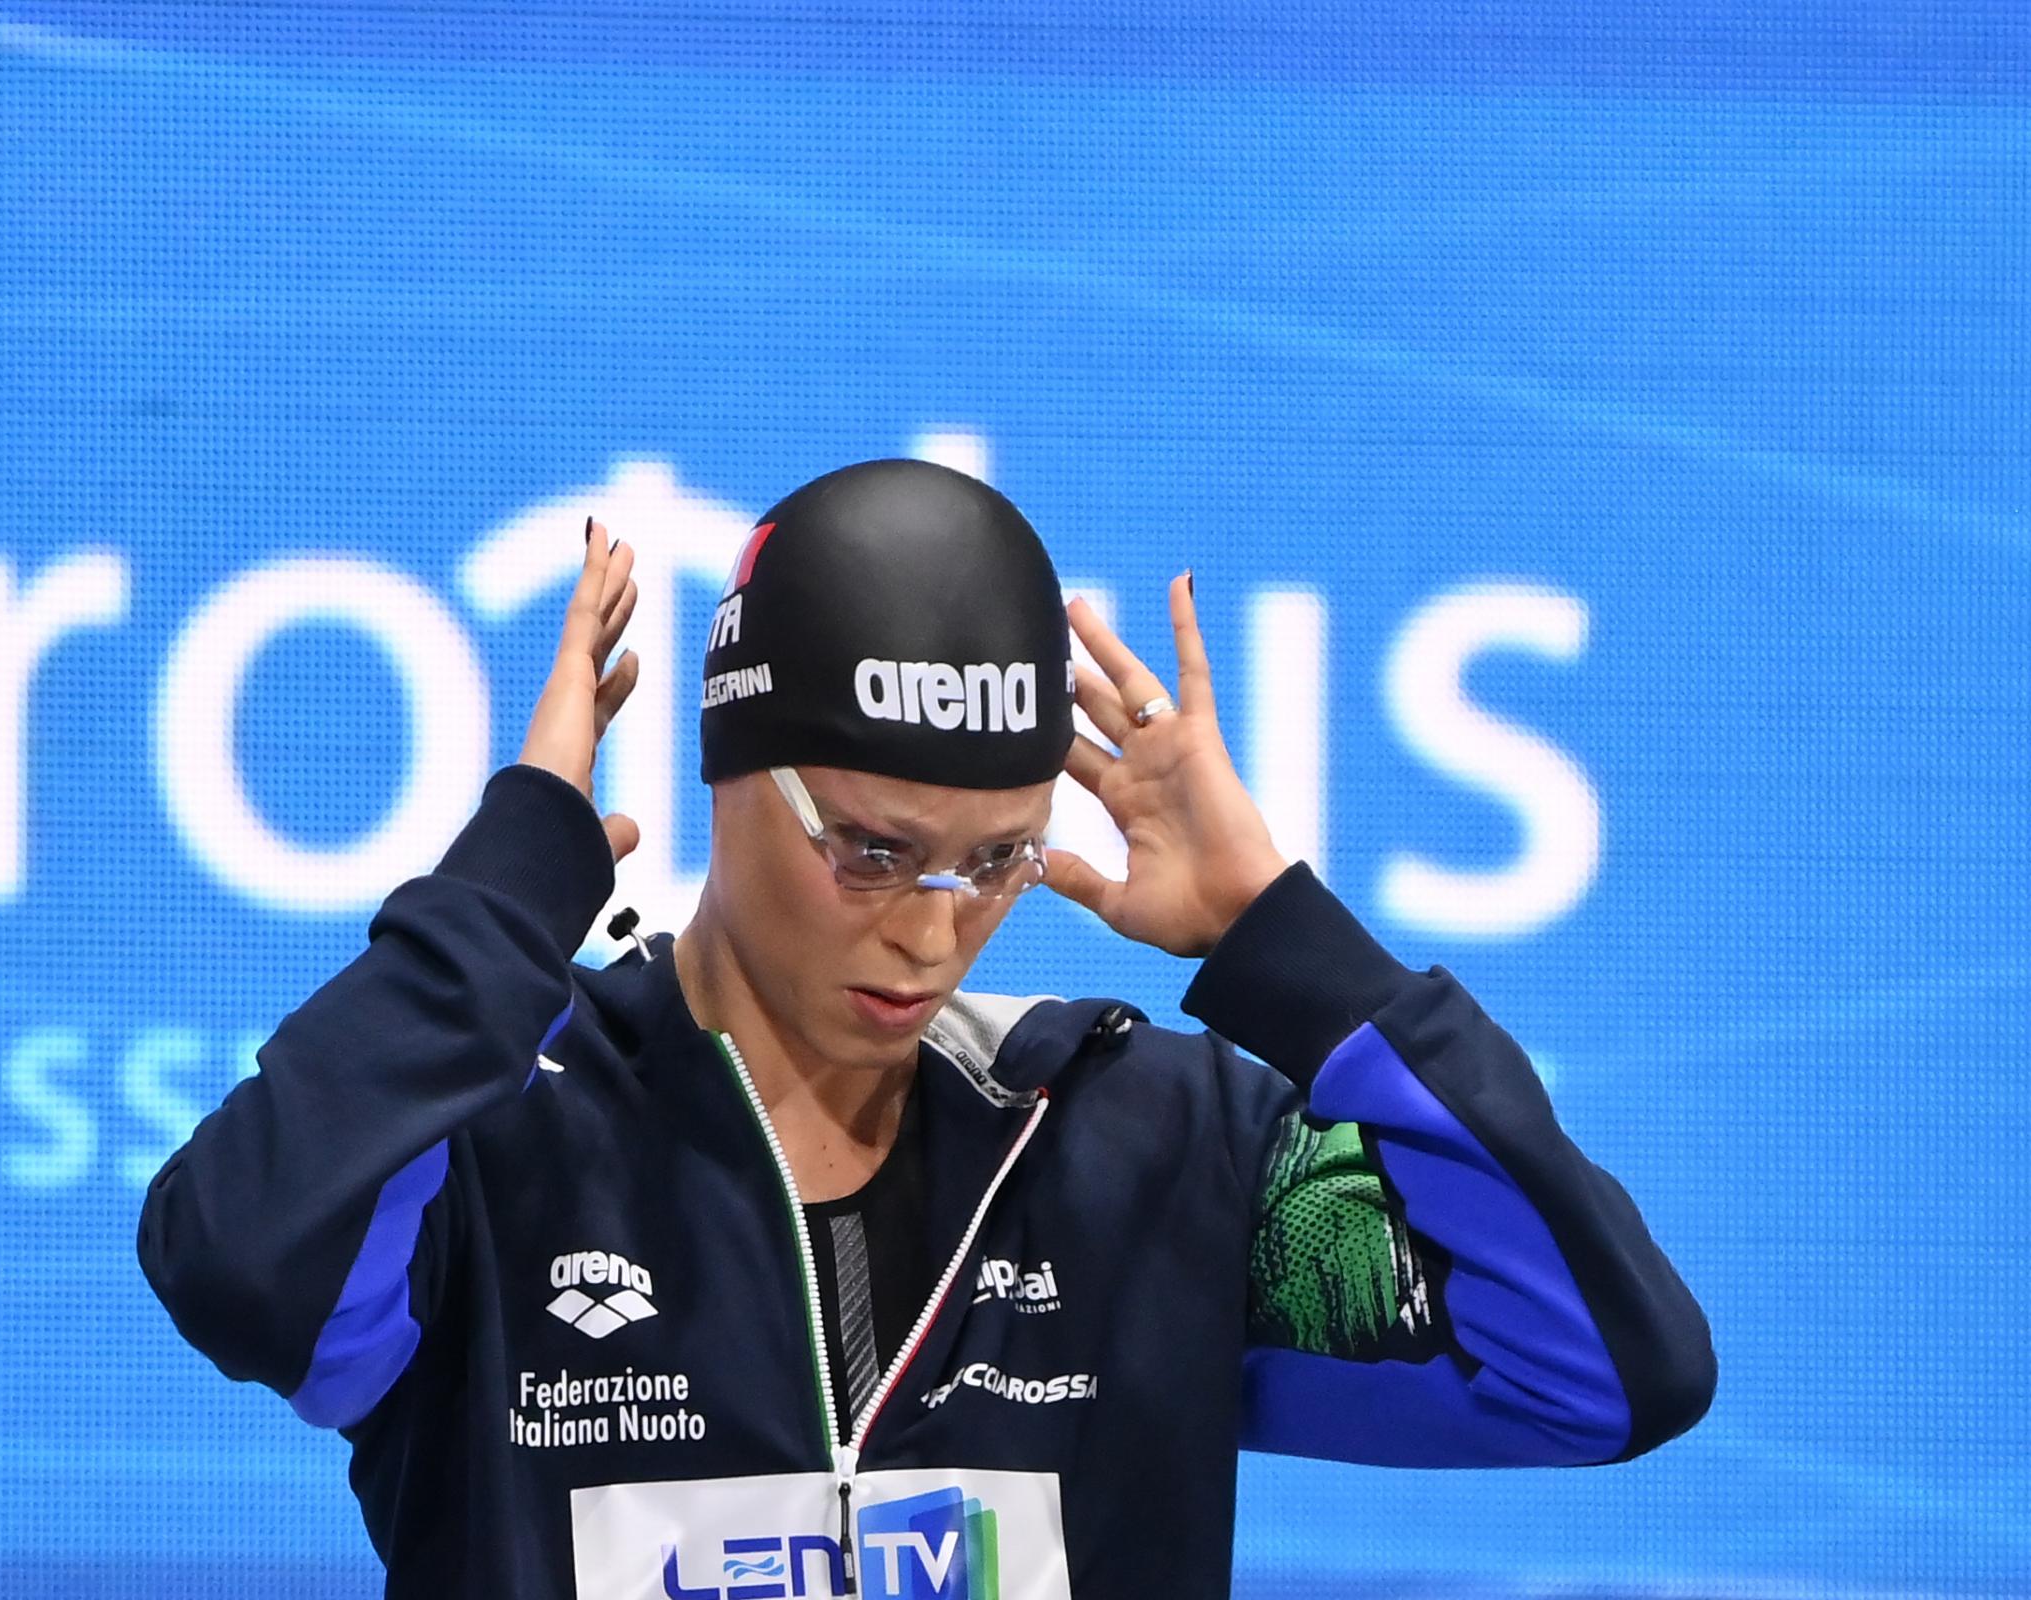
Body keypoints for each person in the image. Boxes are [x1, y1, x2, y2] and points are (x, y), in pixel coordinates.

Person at [139, 459, 1715, 1600]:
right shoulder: (503, 1149)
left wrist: (1291, 952)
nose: (931, 927)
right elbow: (241, 1259)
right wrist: (509, 885)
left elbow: (1604, 1371)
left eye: (999, 860)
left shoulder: (1147, 1149)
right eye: (872, 851)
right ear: (732, 778)